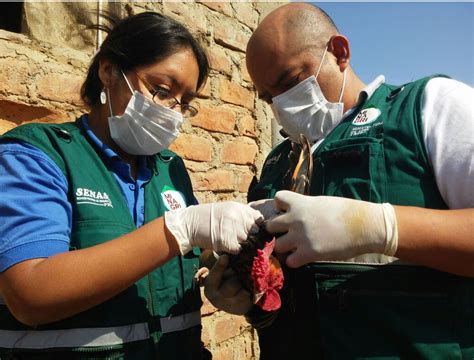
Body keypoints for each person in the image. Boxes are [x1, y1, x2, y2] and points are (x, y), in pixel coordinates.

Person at [204, 3, 474, 359]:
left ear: (339, 53)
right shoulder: (276, 164)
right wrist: (253, 301)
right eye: (269, 97)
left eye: (289, 82)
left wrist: (379, 226)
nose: (281, 105)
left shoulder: (429, 108)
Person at [0, 12, 263, 359]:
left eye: (185, 103)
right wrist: (182, 228)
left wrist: (223, 270)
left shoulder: (170, 170)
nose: (173, 111)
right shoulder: (39, 155)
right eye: (162, 91)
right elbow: (30, 294)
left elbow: (184, 259)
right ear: (109, 72)